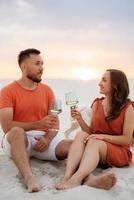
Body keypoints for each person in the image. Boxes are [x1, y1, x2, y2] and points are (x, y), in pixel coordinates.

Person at [0, 48, 72, 192]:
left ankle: (81, 177)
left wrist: (47, 138)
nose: (41, 68)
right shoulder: (6, 91)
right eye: (37, 64)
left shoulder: (47, 90)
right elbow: (7, 127)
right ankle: (28, 177)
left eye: (42, 64)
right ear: (24, 66)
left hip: (43, 141)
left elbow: (55, 122)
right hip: (18, 141)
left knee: (74, 145)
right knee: (16, 131)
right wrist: (38, 124)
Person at [56, 69, 134, 190]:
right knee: (81, 134)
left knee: (94, 141)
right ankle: (68, 175)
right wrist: (80, 119)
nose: (99, 83)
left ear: (115, 85)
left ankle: (77, 179)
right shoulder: (97, 104)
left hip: (118, 151)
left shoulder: (128, 108)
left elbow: (126, 139)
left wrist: (102, 137)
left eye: (104, 80)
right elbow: (91, 132)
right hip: (96, 149)